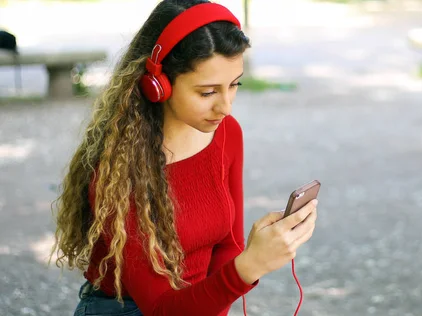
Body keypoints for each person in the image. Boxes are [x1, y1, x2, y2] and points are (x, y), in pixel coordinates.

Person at [50, 1, 318, 315]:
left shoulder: (227, 133)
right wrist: (250, 266)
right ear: (157, 85)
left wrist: (250, 257)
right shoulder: (120, 169)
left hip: (202, 302)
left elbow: (227, 245)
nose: (226, 107)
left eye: (234, 85)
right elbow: (162, 308)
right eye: (207, 92)